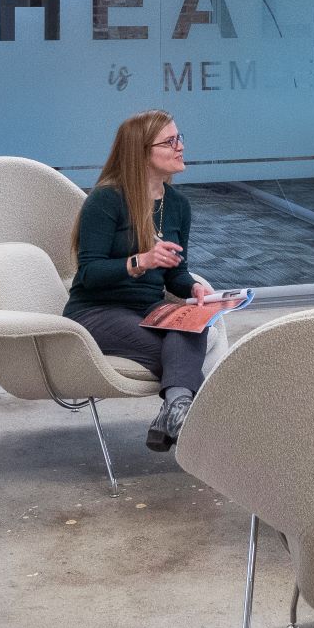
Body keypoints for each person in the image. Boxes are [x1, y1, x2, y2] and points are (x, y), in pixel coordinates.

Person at [66, 109, 215, 451]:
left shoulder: (178, 205)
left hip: (147, 308)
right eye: (170, 141)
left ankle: (173, 415)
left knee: (194, 323)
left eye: (180, 139)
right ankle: (186, 416)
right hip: (97, 311)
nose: (180, 147)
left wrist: (192, 287)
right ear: (141, 152)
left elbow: (175, 273)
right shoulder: (106, 200)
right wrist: (140, 261)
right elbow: (88, 274)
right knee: (175, 355)